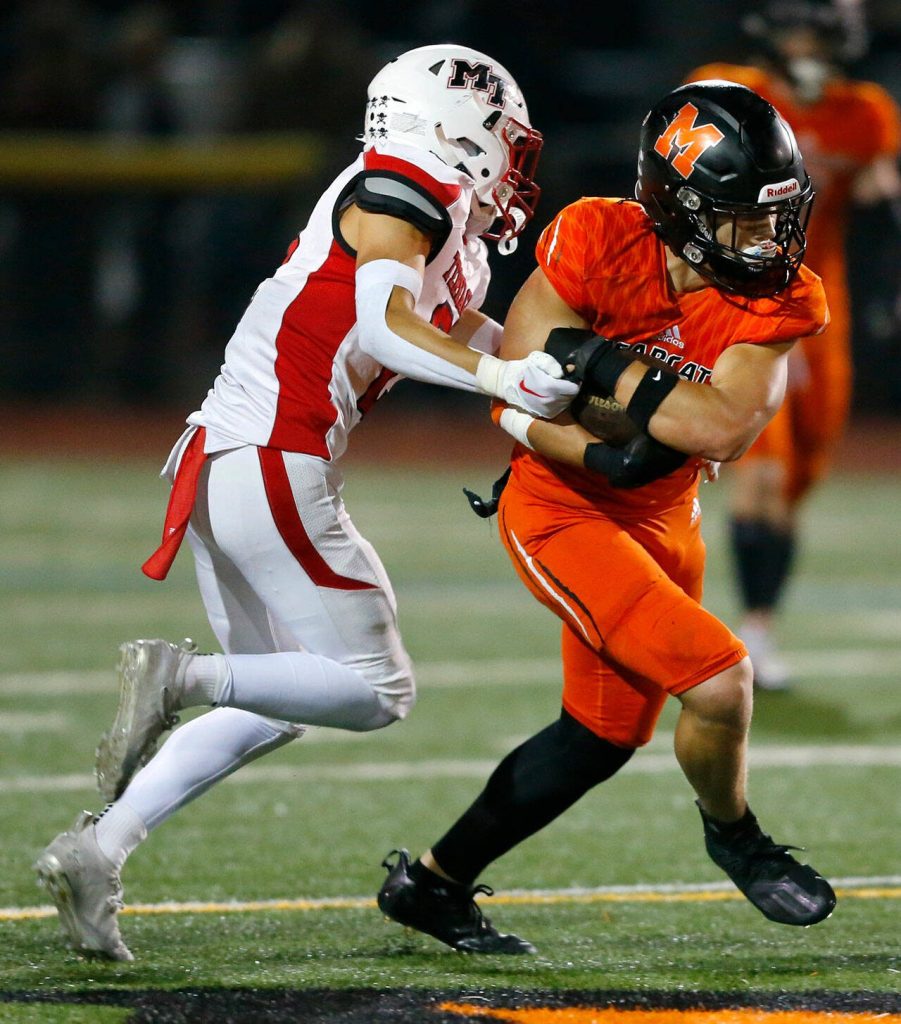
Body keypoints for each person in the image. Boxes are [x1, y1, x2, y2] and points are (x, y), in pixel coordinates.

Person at [33, 43, 579, 962]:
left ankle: (98, 848)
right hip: (270, 456)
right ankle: (181, 678)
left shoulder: (438, 228)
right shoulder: (405, 182)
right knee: (377, 690)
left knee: (281, 695)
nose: (510, 160)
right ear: (450, 127)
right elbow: (382, 325)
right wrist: (505, 378)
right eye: (498, 135)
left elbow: (446, 323)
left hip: (230, 458)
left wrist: (562, 364)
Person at [376, 80, 837, 955]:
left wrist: (592, 361)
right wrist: (605, 446)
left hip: (666, 518)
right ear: (681, 207)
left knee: (599, 737)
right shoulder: (597, 235)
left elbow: (718, 429)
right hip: (559, 508)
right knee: (719, 678)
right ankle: (735, 835)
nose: (770, 238)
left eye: (778, 213)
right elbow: (516, 383)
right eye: (744, 216)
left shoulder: (781, 296)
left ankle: (431, 886)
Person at [684, 0, 901, 689]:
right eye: (795, 30)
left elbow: (880, 201)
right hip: (740, 297)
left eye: (818, 31)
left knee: (800, 476)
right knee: (764, 478)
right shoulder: (727, 89)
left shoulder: (861, 111)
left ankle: (754, 618)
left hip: (819, 307)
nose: (805, 43)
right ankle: (752, 632)